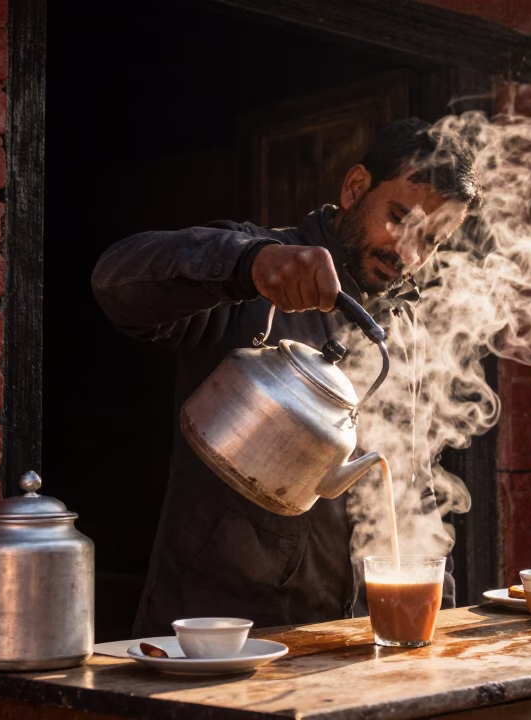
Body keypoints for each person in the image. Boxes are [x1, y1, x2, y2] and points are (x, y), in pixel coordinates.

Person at [91, 117, 480, 635]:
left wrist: (442, 621)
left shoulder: (404, 330)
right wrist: (248, 265)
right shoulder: (256, 270)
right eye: (398, 218)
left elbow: (415, 489)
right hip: (217, 632)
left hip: (345, 639)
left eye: (430, 240)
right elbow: (115, 282)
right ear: (355, 187)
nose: (408, 253)